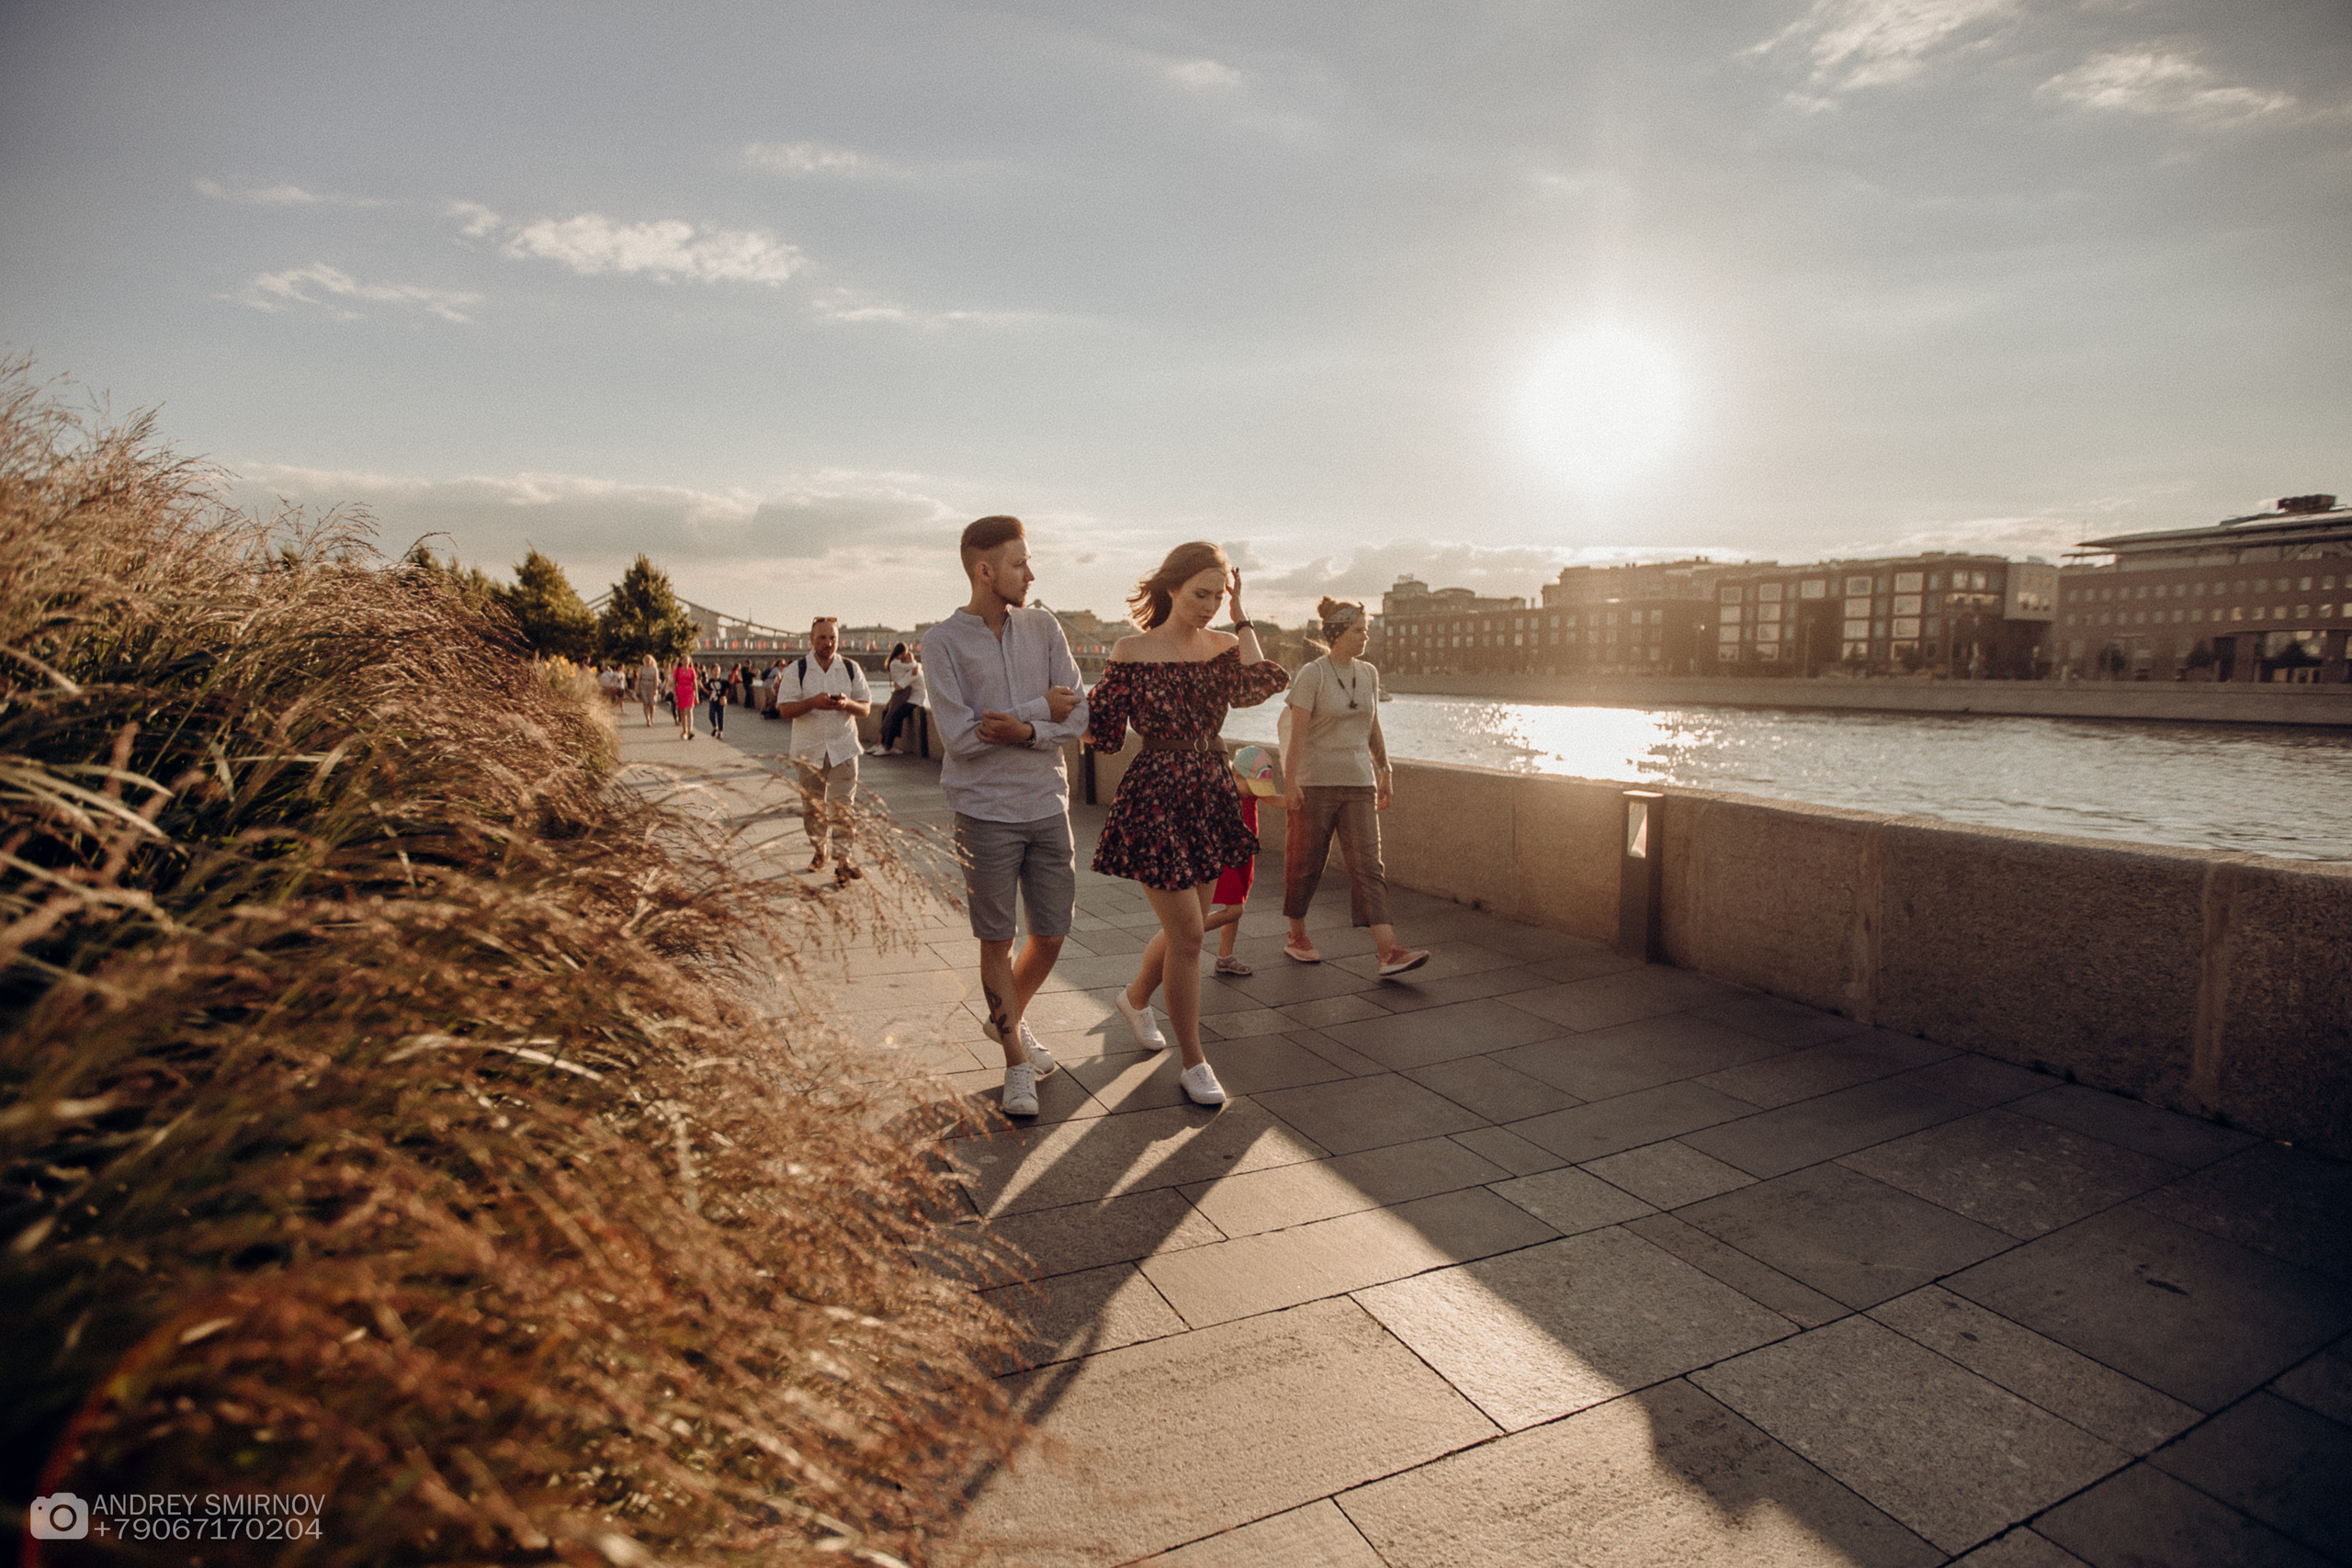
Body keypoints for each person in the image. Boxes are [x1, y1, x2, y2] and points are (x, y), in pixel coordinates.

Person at [1088, 543, 1287, 1107]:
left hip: (1210, 787)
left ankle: (1134, 998)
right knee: (1192, 936)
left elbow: (1263, 682)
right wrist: (1049, 716)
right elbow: (1102, 731)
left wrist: (1242, 615)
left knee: (1190, 927)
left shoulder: (1224, 646)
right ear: (1171, 587)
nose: (1209, 606)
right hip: (1156, 790)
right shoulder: (1132, 649)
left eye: (1218, 596)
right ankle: (1194, 1060)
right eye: (1201, 593)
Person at [922, 516, 1087, 1118]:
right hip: (982, 813)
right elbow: (962, 739)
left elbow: (1080, 715)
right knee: (998, 937)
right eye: (1020, 563)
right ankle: (1016, 1059)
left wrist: (1022, 726)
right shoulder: (940, 643)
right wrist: (1041, 709)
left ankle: (1004, 1018)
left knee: (1052, 932)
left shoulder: (1044, 627)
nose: (1031, 573)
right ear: (984, 570)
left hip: (1047, 804)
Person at [1278, 597, 1428, 977]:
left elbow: (1372, 725)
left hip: (1359, 781)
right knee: (1306, 864)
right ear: (1338, 633)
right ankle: (1297, 936)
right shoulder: (1313, 674)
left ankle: (1388, 950)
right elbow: (1296, 737)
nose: (1366, 636)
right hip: (1316, 783)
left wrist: (1386, 768)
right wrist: (1291, 782)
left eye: (1366, 629)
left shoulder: (1370, 674)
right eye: (1359, 630)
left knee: (1368, 866)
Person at [775, 617, 870, 881]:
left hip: (844, 747)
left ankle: (843, 860)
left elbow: (865, 709)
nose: (828, 643)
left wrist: (847, 703)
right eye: (822, 638)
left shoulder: (851, 668)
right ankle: (820, 849)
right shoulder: (797, 669)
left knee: (844, 807)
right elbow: (784, 709)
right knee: (813, 807)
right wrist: (813, 703)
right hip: (809, 750)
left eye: (833, 638)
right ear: (811, 640)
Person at [870, 641, 920, 756]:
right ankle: (882, 744)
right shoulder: (897, 663)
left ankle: (883, 745)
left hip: (900, 690)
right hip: (901, 691)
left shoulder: (893, 662)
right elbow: (912, 666)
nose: (906, 657)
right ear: (901, 653)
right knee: (891, 715)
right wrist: (917, 664)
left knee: (889, 713)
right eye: (905, 654)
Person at [673, 659, 698, 740]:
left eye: (687, 660)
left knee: (689, 710)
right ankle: (684, 730)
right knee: (682, 712)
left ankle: (690, 730)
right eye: (684, 660)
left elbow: (695, 683)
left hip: (689, 690)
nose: (685, 662)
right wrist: (675, 695)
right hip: (680, 690)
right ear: (681, 661)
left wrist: (696, 695)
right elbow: (674, 683)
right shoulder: (677, 670)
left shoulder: (692, 670)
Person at [633, 655, 661, 727]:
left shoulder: (654, 669)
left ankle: (651, 717)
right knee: (645, 702)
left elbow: (656, 679)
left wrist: (655, 689)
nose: (648, 661)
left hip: (651, 685)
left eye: (649, 660)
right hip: (643, 685)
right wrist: (637, 689)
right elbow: (639, 679)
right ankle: (647, 719)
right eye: (646, 660)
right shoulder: (642, 669)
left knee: (651, 704)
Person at [706, 663, 727, 740]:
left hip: (720, 701)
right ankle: (715, 727)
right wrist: (700, 685)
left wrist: (725, 697)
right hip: (712, 700)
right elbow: (707, 691)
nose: (716, 672)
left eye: (718, 670)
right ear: (711, 671)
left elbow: (729, 686)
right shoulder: (710, 681)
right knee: (711, 715)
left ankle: (720, 731)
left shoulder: (723, 681)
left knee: (720, 716)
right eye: (715, 670)